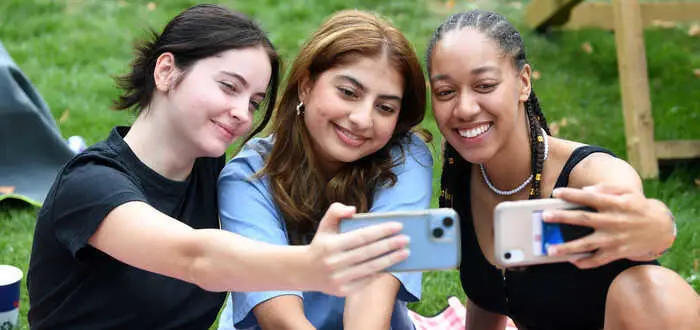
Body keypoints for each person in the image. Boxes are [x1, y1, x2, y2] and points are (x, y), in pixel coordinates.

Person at [26, 5, 411, 329]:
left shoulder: (207, 167)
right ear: (165, 72)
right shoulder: (89, 185)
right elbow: (195, 257)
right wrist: (311, 265)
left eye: (254, 101)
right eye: (229, 87)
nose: (242, 113)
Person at [426, 9, 700, 330]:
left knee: (657, 290)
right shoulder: (464, 173)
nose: (465, 108)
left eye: (485, 85)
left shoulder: (587, 173)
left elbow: (635, 207)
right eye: (446, 92)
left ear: (523, 82)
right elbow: (488, 294)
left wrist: (656, 225)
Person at [217, 10, 432, 330]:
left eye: (385, 107)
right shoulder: (246, 179)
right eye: (348, 92)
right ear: (306, 86)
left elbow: (375, 286)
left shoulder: (407, 160)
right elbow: (280, 319)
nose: (362, 118)